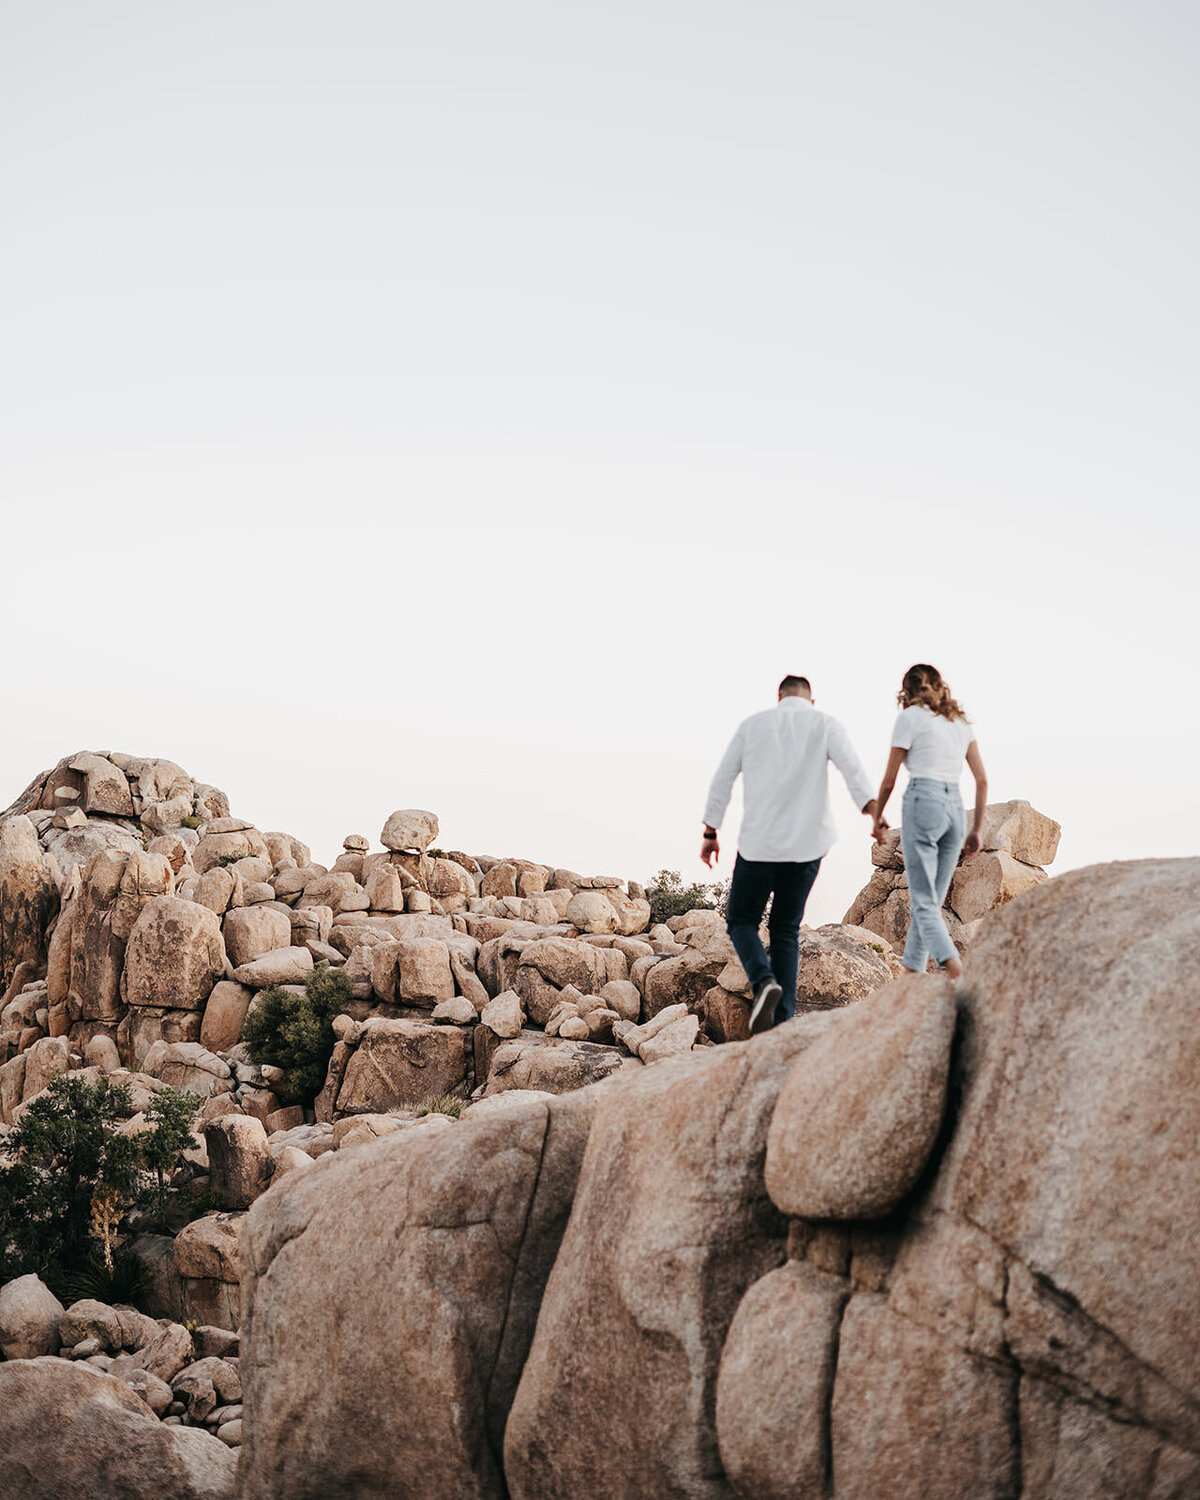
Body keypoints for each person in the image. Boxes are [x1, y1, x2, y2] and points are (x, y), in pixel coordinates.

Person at [702, 674, 877, 1034]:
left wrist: (710, 831)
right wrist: (872, 810)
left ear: (778, 697)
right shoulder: (825, 724)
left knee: (741, 921)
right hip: (808, 845)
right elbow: (852, 769)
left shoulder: (753, 726)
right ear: (811, 701)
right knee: (785, 929)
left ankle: (763, 981)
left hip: (759, 845)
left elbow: (723, 779)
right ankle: (783, 1024)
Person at [871, 664, 988, 979]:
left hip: (924, 801)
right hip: (955, 809)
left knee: (923, 905)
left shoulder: (908, 718)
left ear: (906, 691)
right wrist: (976, 829)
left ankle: (959, 975)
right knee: (930, 905)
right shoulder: (959, 722)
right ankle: (912, 972)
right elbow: (982, 780)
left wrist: (878, 815)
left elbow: (888, 780)